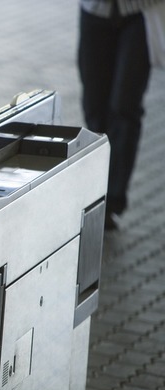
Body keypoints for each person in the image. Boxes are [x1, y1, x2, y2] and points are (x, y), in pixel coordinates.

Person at [78, 0, 163, 230]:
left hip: (140, 11)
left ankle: (112, 200)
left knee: (124, 108)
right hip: (94, 9)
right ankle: (94, 192)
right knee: (94, 105)